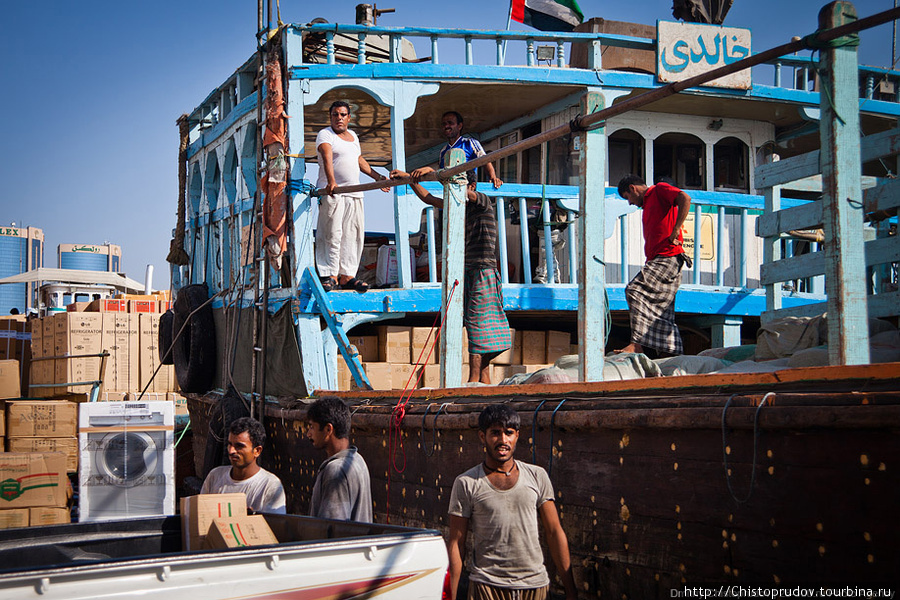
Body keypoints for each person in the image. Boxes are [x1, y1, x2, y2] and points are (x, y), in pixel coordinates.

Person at [390, 168, 511, 384]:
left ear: (471, 186)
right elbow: (430, 198)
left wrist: (433, 172)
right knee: (472, 321)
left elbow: (461, 193)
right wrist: (410, 180)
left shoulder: (482, 200)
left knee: (477, 322)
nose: (454, 191)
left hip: (483, 270)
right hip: (468, 271)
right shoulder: (458, 208)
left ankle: (474, 379)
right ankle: (482, 380)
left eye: (459, 186)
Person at [446, 404, 577, 600]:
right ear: (483, 437)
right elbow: (457, 543)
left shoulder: (537, 476)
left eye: (508, 433)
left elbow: (554, 532)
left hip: (534, 586)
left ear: (517, 435)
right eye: (495, 433)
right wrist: (451, 595)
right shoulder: (466, 483)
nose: (503, 440)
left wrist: (571, 592)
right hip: (487, 586)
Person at [316, 100, 389, 293]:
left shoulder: (353, 136)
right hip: (334, 192)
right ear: (330, 117)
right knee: (332, 233)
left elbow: (358, 159)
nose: (338, 118)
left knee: (352, 235)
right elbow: (326, 156)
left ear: (349, 117)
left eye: (342, 115)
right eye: (335, 115)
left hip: (354, 192)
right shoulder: (326, 134)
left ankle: (347, 276)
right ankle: (330, 275)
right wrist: (332, 181)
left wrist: (377, 177)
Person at [616, 174, 692, 356]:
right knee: (662, 308)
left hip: (668, 256)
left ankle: (637, 344)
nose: (630, 203)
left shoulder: (659, 189)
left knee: (635, 290)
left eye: (628, 197)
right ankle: (672, 351)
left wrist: (676, 229)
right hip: (658, 258)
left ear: (633, 188)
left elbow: (684, 198)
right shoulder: (649, 203)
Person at [201, 417, 286, 514]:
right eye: (229, 444)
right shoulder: (215, 476)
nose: (231, 451)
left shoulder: (270, 485)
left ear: (257, 451)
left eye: (239, 446)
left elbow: (274, 526)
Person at [306, 397, 372, 522]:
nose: (308, 433)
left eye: (311, 427)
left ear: (328, 429)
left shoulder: (335, 471)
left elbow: (331, 529)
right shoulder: (358, 460)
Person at [438, 111, 503, 189]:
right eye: (444, 124)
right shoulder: (443, 151)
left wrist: (493, 178)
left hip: (467, 189)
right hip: (448, 191)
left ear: (459, 126)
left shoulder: (470, 143)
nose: (446, 126)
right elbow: (440, 173)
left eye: (450, 123)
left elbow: (485, 160)